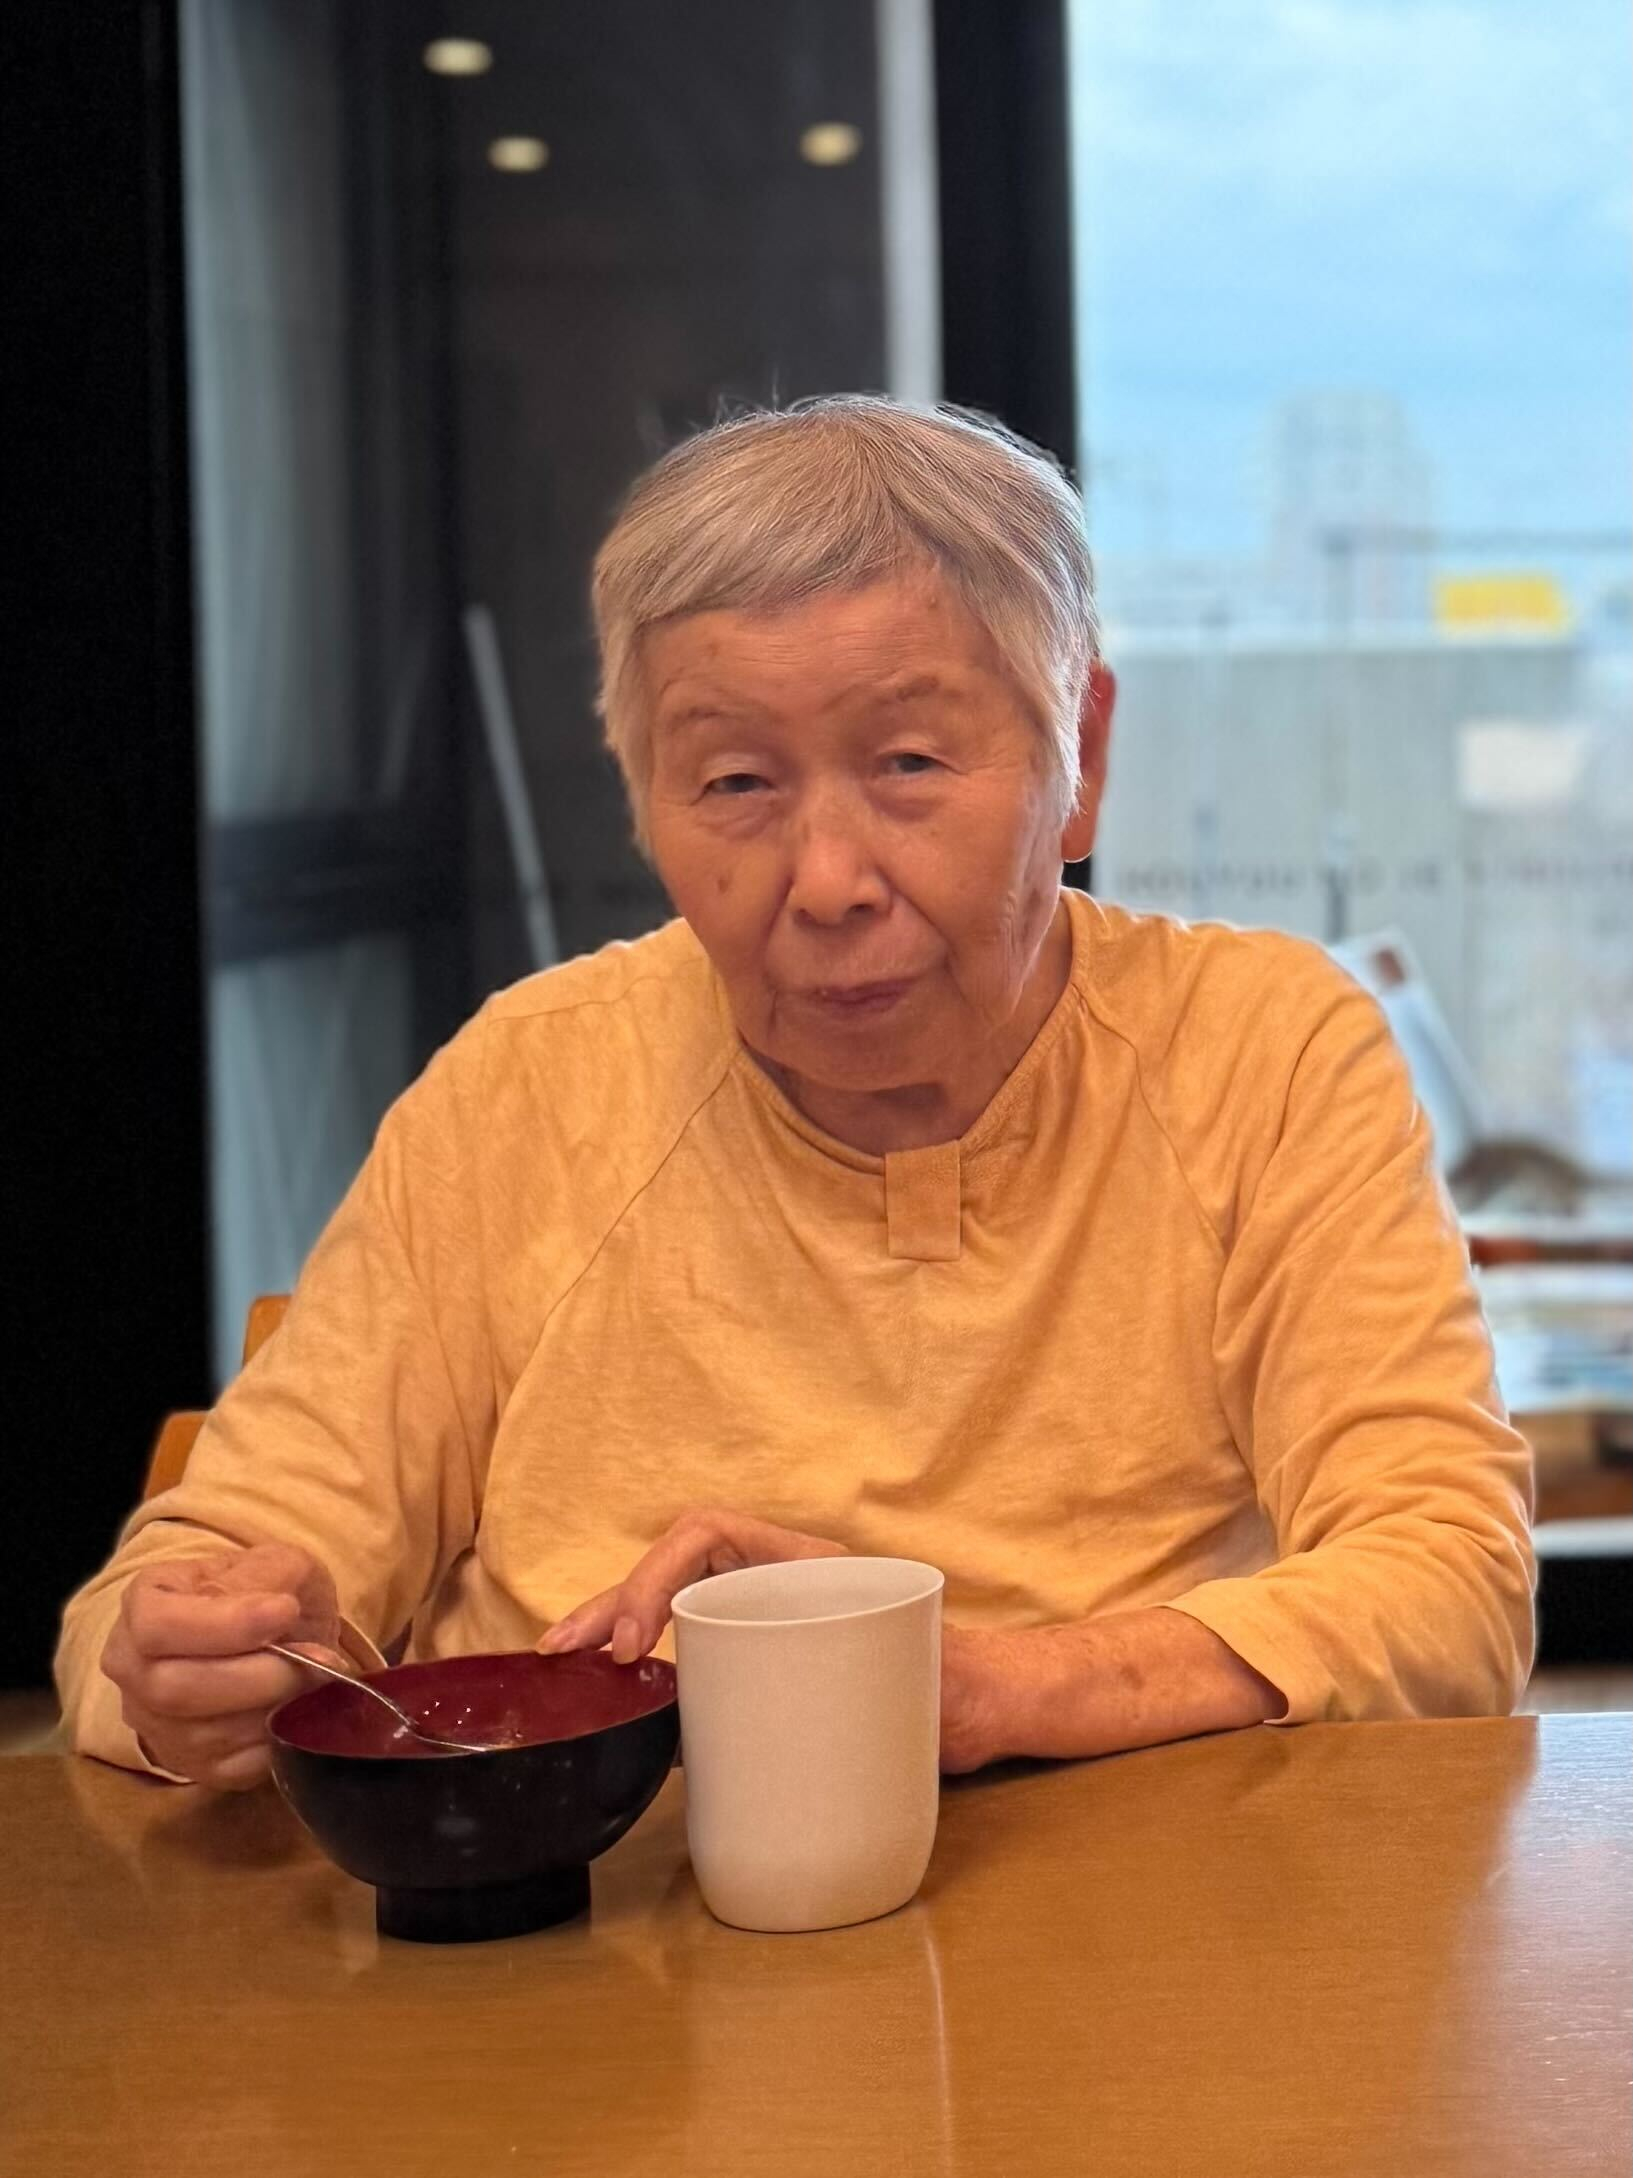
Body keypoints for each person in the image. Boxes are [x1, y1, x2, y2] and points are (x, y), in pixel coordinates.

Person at [56, 397, 1534, 1790]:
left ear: (1078, 757)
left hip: (1136, 1912)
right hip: (603, 1920)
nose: (828, 883)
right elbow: (147, 1613)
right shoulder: (533, 1081)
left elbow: (1450, 1583)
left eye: (909, 761)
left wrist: (989, 1689)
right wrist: (193, 1668)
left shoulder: (1261, 1053)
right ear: (643, 797)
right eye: (735, 784)